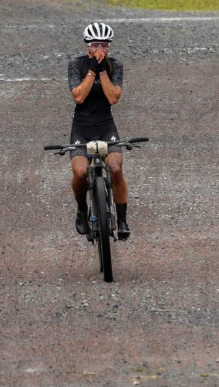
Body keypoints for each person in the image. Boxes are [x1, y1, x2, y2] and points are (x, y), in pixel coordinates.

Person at [67, 22, 130, 240]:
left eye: (104, 44)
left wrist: (103, 72)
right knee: (80, 172)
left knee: (115, 167)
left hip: (105, 125)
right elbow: (78, 96)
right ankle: (82, 210)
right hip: (81, 128)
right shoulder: (76, 65)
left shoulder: (115, 66)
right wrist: (92, 70)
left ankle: (122, 220)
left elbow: (113, 97)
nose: (100, 49)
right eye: (95, 44)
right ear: (87, 47)